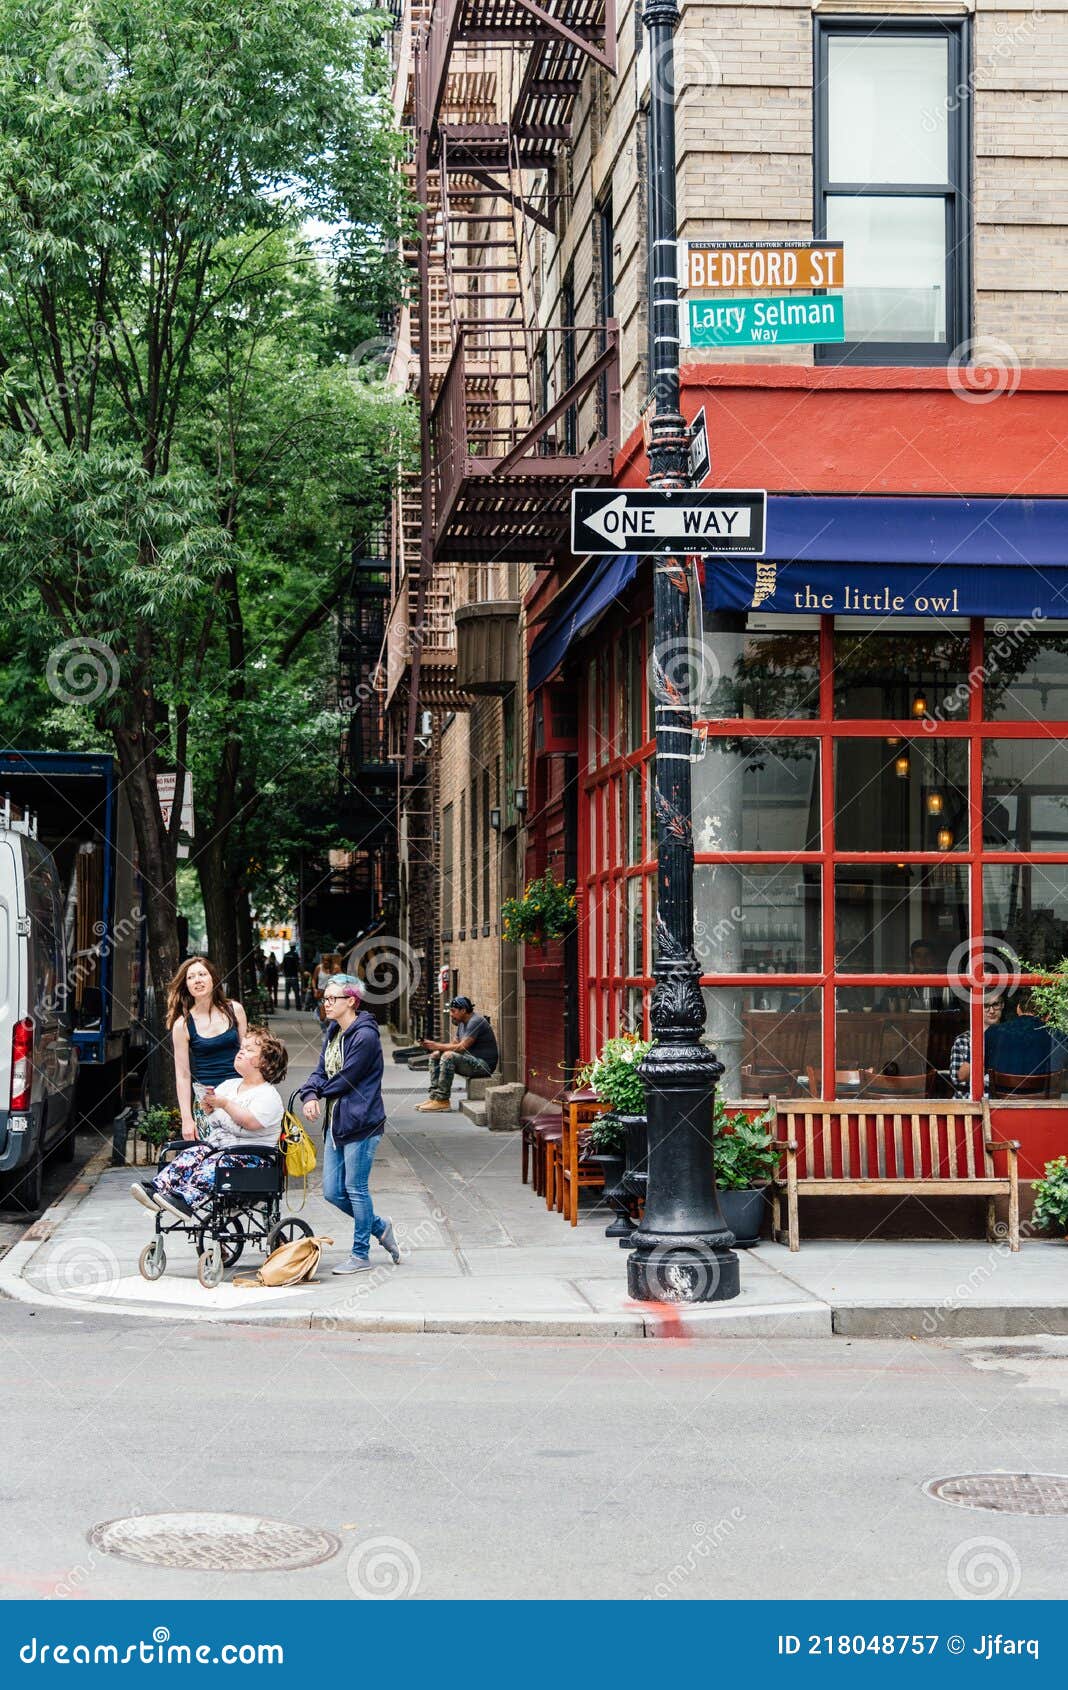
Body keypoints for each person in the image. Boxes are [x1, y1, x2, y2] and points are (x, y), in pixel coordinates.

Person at [298, 974, 400, 1275]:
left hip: (362, 1122)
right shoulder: (333, 1031)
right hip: (336, 1123)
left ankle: (360, 1254)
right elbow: (321, 1071)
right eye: (325, 999)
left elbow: (345, 1079)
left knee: (356, 1188)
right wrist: (309, 1092)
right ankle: (380, 1226)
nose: (326, 1004)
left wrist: (316, 1093)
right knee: (332, 1191)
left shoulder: (365, 1036)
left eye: (333, 999)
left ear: (351, 1001)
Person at [130, 1027, 288, 1219]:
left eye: (249, 1049)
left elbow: (249, 1122)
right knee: (193, 1154)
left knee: (215, 1162)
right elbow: (217, 1122)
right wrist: (210, 1109)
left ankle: (185, 1199)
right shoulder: (229, 1086)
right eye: (242, 1047)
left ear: (264, 1062)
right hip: (222, 1150)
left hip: (253, 1159)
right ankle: (158, 1188)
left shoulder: (268, 1095)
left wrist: (224, 1104)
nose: (241, 1051)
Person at [167, 956, 247, 1141]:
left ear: (213, 978)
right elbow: (183, 1075)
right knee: (211, 1162)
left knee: (241, 1159)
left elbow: (249, 1055)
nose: (197, 980)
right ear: (186, 985)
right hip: (208, 1103)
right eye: (191, 977)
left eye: (202, 974)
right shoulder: (182, 1025)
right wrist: (187, 1119)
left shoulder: (235, 1010)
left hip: (239, 1098)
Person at [417, 995, 499, 1113]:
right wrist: (434, 1048)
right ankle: (435, 1097)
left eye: (453, 1011)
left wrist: (436, 1045)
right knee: (435, 1055)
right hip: (470, 1060)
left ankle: (443, 1100)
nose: (450, 1014)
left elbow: (461, 1047)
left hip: (484, 1065)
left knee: (448, 1056)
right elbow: (453, 1044)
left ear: (463, 1010)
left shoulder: (475, 1021)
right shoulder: (461, 1023)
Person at [949, 996, 1003, 1096]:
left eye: (995, 1005)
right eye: (986, 1006)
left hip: (998, 1100)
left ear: (1002, 1005)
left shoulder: (1008, 1037)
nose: (991, 1011)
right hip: (967, 1100)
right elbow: (957, 1079)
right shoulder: (962, 1040)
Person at [281, 945, 301, 1010]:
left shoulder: (286, 955)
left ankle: (286, 1007)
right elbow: (298, 965)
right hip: (294, 977)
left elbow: (283, 965)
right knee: (296, 993)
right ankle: (298, 1007)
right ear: (294, 948)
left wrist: (284, 974)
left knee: (287, 993)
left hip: (287, 977)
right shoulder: (295, 955)